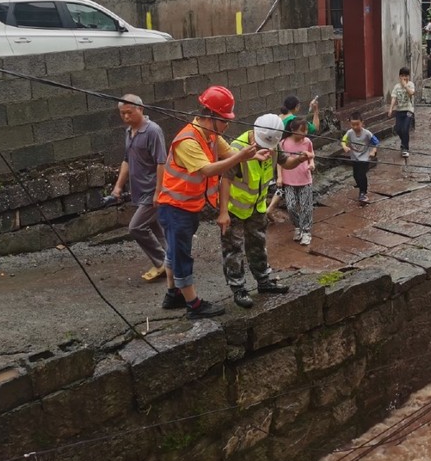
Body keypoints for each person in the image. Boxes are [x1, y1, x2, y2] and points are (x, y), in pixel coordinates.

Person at [155, 85, 263, 318]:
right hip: (174, 208)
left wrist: (254, 154)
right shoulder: (187, 141)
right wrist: (242, 156)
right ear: (210, 116)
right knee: (181, 255)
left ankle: (172, 294)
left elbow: (229, 155)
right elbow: (207, 169)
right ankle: (193, 305)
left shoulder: (212, 136)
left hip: (187, 207)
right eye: (224, 120)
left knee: (174, 252)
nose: (227, 125)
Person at [219, 114, 310, 308]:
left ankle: (264, 281)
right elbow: (225, 179)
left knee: (258, 243)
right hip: (235, 207)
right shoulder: (236, 148)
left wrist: (301, 158)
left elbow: (286, 163)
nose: (264, 149)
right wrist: (223, 212)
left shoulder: (274, 145)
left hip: (257, 206)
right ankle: (239, 288)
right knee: (233, 248)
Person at [108, 95, 168, 282]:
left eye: (129, 112)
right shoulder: (129, 132)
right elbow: (127, 160)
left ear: (140, 109)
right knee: (155, 227)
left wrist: (159, 191)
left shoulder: (152, 131)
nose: (126, 116)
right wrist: (118, 187)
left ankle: (162, 263)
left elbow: (161, 162)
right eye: (122, 113)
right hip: (138, 189)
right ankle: (173, 259)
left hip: (151, 189)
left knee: (136, 227)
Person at [266, 94, 320, 221]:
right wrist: (316, 111)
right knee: (285, 184)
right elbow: (315, 128)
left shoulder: (277, 119)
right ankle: (271, 209)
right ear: (296, 107)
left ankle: (270, 209)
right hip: (287, 157)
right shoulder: (294, 122)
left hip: (272, 155)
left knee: (282, 185)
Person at [279, 118, 315, 246]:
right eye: (302, 130)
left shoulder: (307, 142)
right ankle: (298, 226)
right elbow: (280, 162)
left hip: (305, 178)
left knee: (306, 206)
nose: (305, 133)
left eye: (306, 130)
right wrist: (279, 177)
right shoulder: (283, 143)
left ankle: (306, 231)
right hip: (289, 180)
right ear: (293, 130)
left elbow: (311, 156)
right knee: (291, 206)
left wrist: (311, 164)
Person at [341, 111, 379, 203]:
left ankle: (363, 192)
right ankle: (360, 185)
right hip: (354, 157)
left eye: (357, 124)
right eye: (353, 125)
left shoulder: (367, 133)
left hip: (365, 158)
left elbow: (376, 142)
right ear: (350, 124)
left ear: (362, 123)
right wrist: (345, 147)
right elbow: (343, 141)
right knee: (355, 175)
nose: (355, 127)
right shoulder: (349, 133)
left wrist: (373, 151)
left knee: (362, 174)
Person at [387, 66, 415, 158]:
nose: (404, 78)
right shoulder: (396, 86)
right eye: (402, 76)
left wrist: (405, 85)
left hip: (408, 110)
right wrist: (391, 109)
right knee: (398, 129)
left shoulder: (410, 84)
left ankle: (405, 148)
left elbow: (411, 93)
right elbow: (394, 98)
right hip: (399, 110)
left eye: (406, 76)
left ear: (408, 76)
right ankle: (404, 143)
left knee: (405, 128)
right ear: (399, 76)